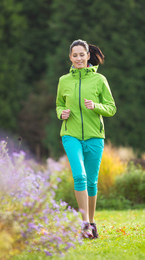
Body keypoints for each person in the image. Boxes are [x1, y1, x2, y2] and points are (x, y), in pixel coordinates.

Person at [55, 39, 116, 239]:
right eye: (75, 55)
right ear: (70, 57)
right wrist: (60, 113)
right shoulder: (64, 80)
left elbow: (111, 108)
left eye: (82, 54)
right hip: (70, 135)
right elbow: (58, 105)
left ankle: (91, 222)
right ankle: (84, 225)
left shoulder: (100, 80)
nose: (79, 58)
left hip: (94, 137)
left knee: (91, 182)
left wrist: (96, 106)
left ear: (88, 56)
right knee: (79, 176)